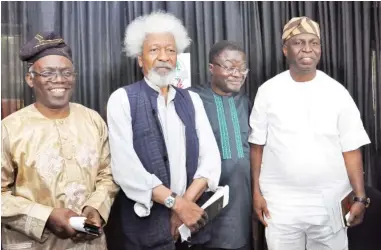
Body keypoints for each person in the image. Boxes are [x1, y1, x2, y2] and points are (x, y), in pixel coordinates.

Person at [249, 16, 371, 250]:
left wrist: (360, 196)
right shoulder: (268, 91)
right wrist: (256, 192)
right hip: (280, 204)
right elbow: (257, 146)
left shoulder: (337, 92)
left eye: (314, 43)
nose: (308, 49)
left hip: (330, 202)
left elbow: (351, 148)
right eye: (299, 42)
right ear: (286, 49)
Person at [106, 11, 221, 250]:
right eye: (154, 50)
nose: (164, 57)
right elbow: (125, 169)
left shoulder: (192, 100)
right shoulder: (122, 99)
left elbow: (210, 159)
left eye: (170, 50)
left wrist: (184, 207)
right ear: (140, 58)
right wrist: (176, 205)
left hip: (191, 226)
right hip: (144, 230)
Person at [1, 31, 119, 249]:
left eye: (67, 73)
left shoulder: (92, 120)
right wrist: (46, 217)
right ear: (30, 78)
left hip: (89, 243)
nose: (59, 80)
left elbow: (107, 174)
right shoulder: (10, 129)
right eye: (48, 73)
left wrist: (95, 208)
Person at [189, 41, 252, 250]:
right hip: (204, 205)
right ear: (211, 68)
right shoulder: (191, 100)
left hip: (241, 206)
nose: (237, 73)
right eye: (229, 67)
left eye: (241, 68)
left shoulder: (247, 103)